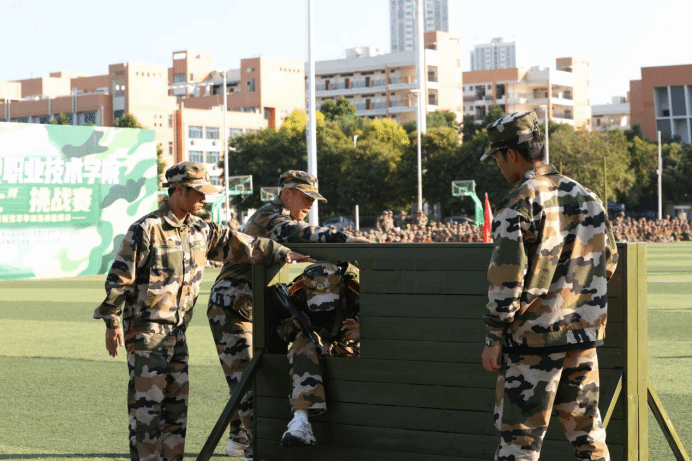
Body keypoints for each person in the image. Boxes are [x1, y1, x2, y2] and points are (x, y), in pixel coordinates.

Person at [93, 162, 312, 462]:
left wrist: (282, 252)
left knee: (176, 412)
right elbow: (120, 278)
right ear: (178, 190)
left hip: (177, 335)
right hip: (146, 335)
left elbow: (242, 244)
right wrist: (111, 321)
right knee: (147, 413)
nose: (204, 199)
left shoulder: (201, 229)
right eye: (198, 193)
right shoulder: (147, 229)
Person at [479, 111, 618, 461]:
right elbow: (609, 261)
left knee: (519, 443)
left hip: (534, 340)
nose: (499, 165)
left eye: (498, 158)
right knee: (589, 437)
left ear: (511, 154)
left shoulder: (518, 203)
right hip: (583, 334)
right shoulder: (588, 197)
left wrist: (493, 337)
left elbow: (507, 280)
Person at [207, 170, 370, 459]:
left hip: (253, 305)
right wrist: (346, 239)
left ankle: (239, 439)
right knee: (247, 379)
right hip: (233, 306)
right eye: (305, 197)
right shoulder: (269, 217)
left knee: (250, 375)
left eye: (312, 199)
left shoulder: (280, 217)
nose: (310, 204)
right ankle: (252, 448)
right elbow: (298, 233)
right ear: (286, 194)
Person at [276, 262, 360, 447]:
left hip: (350, 346)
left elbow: (389, 328)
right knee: (302, 341)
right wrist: (295, 324)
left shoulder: (356, 290)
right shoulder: (297, 292)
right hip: (316, 344)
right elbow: (282, 332)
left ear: (341, 285)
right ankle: (300, 420)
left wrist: (362, 331)